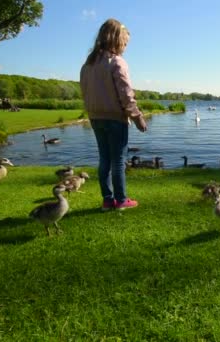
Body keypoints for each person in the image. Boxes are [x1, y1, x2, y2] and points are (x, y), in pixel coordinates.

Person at [80, 18, 147, 211]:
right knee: (118, 160)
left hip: (95, 118)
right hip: (115, 119)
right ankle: (121, 200)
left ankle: (107, 200)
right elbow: (126, 94)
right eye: (124, 43)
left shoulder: (87, 65)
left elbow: (84, 92)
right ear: (116, 40)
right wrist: (137, 116)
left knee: (104, 159)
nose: (125, 47)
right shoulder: (117, 62)